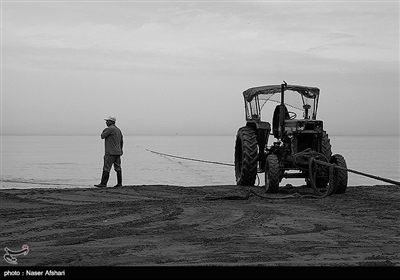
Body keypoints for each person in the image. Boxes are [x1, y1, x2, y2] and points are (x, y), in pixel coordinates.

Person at [94, 116, 124, 188]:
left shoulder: (110, 129)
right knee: (118, 168)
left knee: (106, 167)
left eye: (107, 121)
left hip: (110, 152)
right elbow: (121, 141)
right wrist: (121, 149)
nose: (106, 122)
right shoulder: (118, 130)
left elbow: (102, 136)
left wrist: (104, 130)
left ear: (111, 122)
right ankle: (119, 183)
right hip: (117, 152)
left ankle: (103, 183)